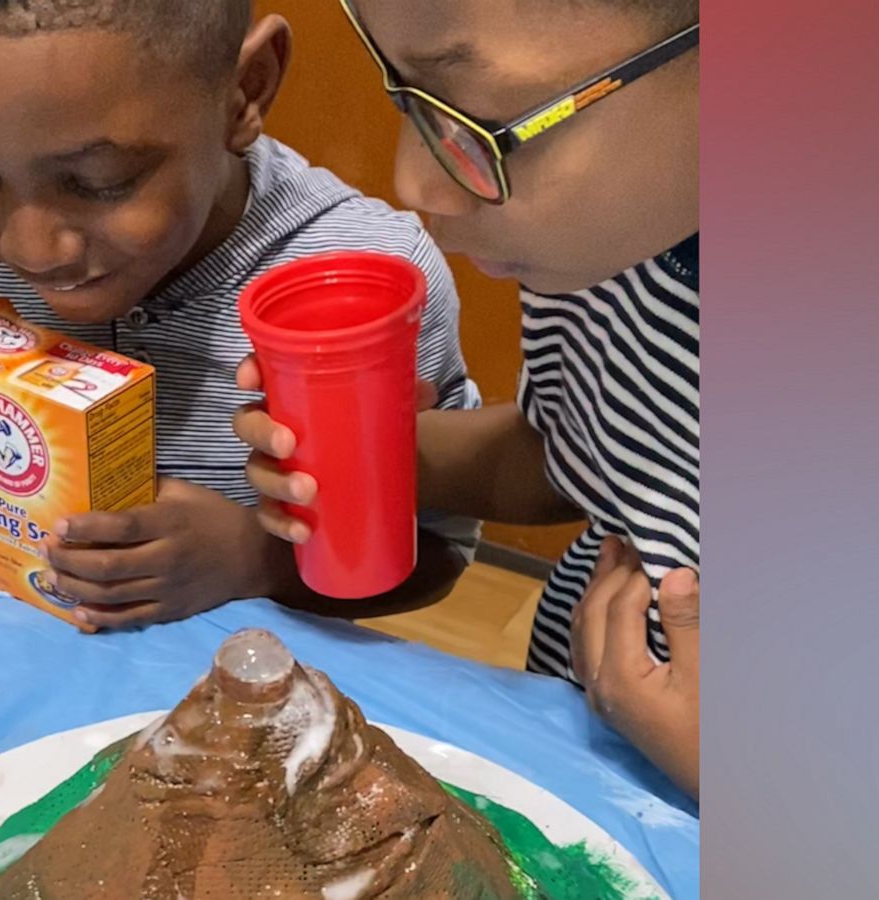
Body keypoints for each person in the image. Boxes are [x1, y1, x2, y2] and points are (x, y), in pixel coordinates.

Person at [0, 0, 483, 629]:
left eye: (99, 182)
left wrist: (257, 563)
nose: (30, 247)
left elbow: (434, 558)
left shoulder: (365, 294)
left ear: (245, 91)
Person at [234, 0, 700, 798]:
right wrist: (367, 455)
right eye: (407, 93)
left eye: (479, 118)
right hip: (582, 742)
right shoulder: (609, 248)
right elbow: (575, 460)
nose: (414, 182)